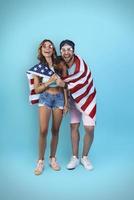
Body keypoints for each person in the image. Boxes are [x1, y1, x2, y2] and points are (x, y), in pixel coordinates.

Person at [27, 39, 68, 175]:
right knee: (43, 130)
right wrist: (49, 81)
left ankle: (52, 159)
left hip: (59, 99)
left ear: (53, 50)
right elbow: (37, 90)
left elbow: (66, 86)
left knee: (55, 130)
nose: (47, 48)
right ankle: (40, 161)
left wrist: (66, 103)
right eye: (44, 46)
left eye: (50, 46)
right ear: (41, 50)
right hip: (45, 98)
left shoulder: (60, 64)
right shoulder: (37, 69)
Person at [56, 39, 97, 170]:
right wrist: (66, 103)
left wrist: (66, 84)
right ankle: (74, 157)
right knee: (74, 126)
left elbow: (82, 81)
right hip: (73, 99)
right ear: (60, 51)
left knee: (89, 129)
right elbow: (63, 85)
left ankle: (85, 157)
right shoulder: (60, 64)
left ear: (73, 50)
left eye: (69, 49)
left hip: (87, 98)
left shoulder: (81, 64)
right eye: (63, 50)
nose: (66, 52)